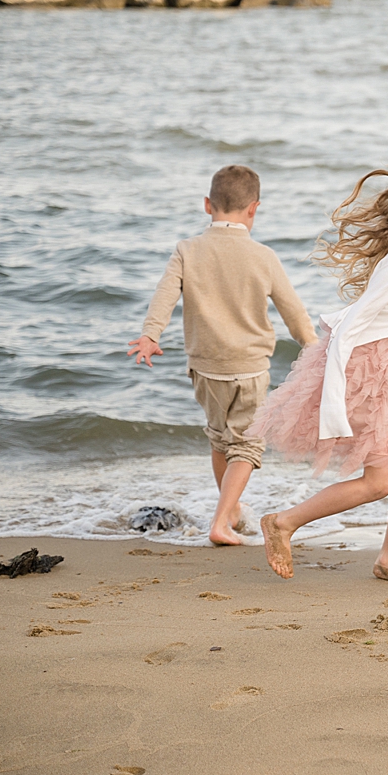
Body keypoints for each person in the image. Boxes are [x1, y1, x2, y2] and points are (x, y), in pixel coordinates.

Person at [249, 161, 388, 586]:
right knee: (379, 481)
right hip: (368, 372)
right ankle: (283, 522)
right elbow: (349, 328)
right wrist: (334, 404)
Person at [130, 164, 317, 546]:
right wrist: (315, 350)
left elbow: (164, 296)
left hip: (205, 368)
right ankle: (222, 522)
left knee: (220, 440)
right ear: (254, 209)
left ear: (206, 204)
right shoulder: (263, 256)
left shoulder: (187, 250)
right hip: (248, 368)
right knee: (247, 446)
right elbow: (293, 312)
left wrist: (150, 335)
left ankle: (228, 509)